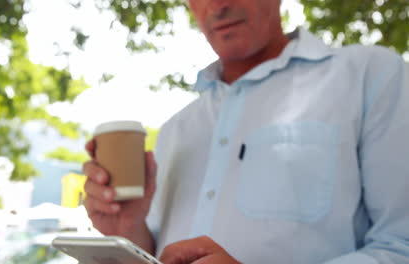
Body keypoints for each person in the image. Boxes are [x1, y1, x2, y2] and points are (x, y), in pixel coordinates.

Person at [83, 0, 409, 263]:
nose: (217, 4)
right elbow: (158, 254)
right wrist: (129, 231)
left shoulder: (371, 76)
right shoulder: (176, 129)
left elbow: (401, 246)